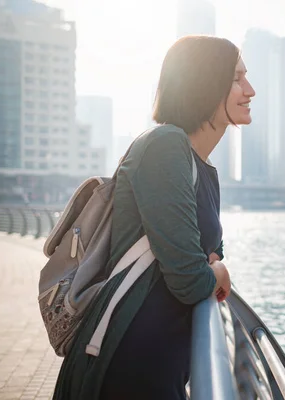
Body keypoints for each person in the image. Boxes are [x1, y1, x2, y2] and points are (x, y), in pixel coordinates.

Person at [53, 35, 255, 399]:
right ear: (205, 81)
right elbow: (191, 279)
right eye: (238, 78)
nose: (250, 89)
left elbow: (208, 252)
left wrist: (210, 264)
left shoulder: (204, 169)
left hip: (161, 364)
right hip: (124, 362)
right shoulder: (164, 147)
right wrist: (217, 272)